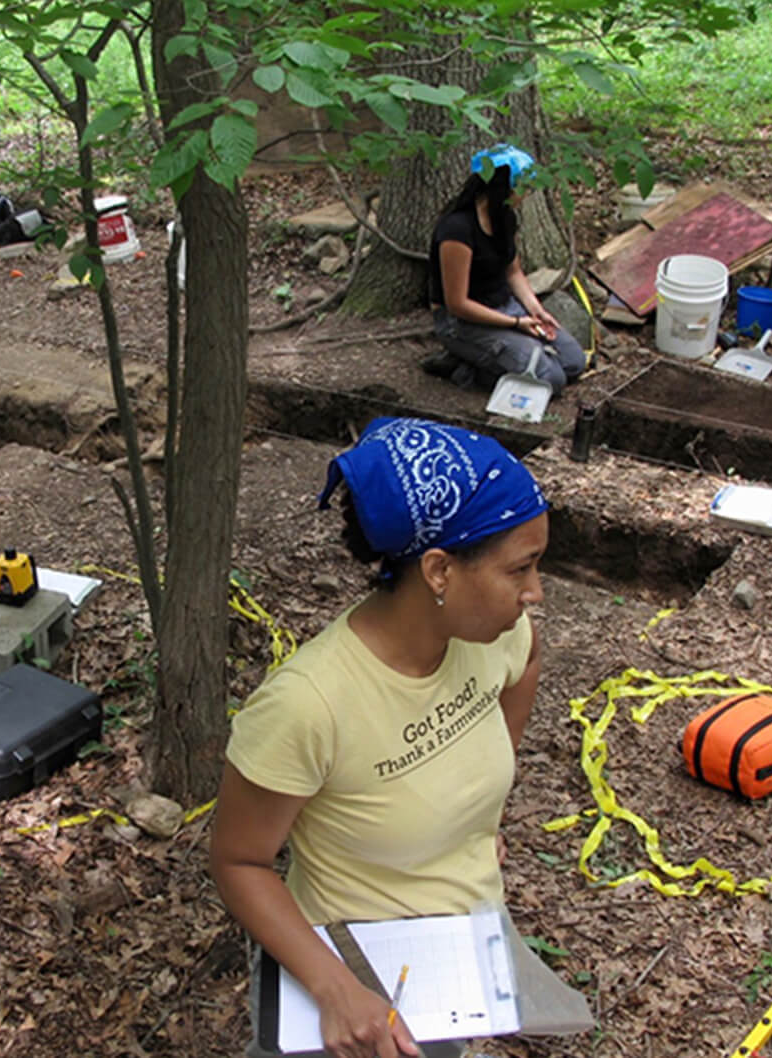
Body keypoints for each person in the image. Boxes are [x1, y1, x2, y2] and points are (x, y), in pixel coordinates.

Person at [209, 417, 592, 1058]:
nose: (536, 593)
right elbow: (239, 862)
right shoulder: (310, 704)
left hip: (454, 962)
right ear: (439, 571)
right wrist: (335, 991)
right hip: (349, 976)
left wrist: (478, 816)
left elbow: (525, 666)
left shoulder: (494, 639)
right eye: (521, 569)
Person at [424, 143, 587, 398]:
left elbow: (513, 273)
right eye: (522, 188)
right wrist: (516, 323)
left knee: (574, 362)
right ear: (503, 188)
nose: (526, 195)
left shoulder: (505, 218)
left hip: (505, 306)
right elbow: (457, 304)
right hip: (461, 322)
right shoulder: (457, 230)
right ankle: (464, 368)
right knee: (550, 379)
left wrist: (535, 309)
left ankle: (503, 356)